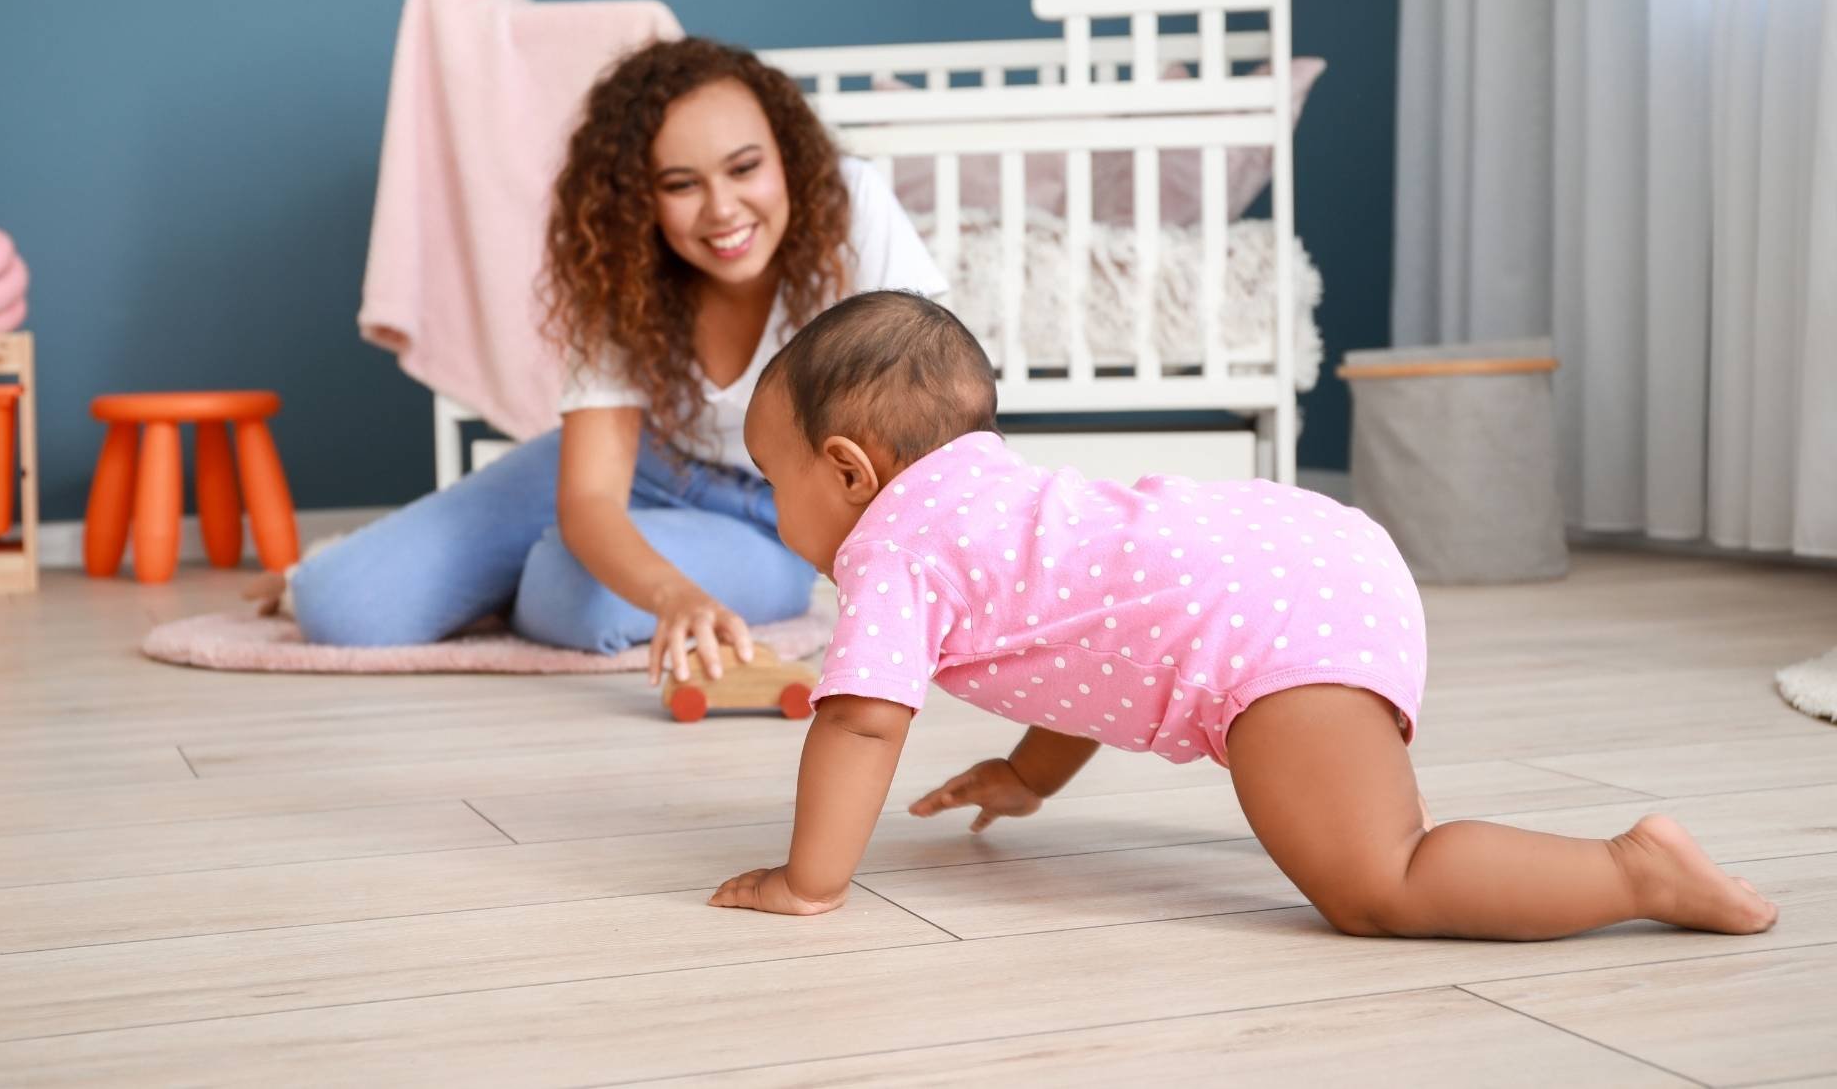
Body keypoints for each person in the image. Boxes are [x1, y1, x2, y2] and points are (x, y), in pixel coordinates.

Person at [706, 290, 1780, 942]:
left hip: (1271, 636)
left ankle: (1629, 868)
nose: (767, 501)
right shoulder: (998, 505)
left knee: (1376, 884)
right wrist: (1029, 775)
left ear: (848, 471)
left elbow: (858, 722)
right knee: (1361, 847)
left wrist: (808, 882)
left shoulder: (892, 544)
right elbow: (1091, 645)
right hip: (1307, 551)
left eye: (769, 475)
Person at [281, 40, 947, 675]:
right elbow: (593, 493)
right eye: (681, 184)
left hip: (772, 516)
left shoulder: (851, 207)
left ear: (787, 159)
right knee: (338, 604)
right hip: (643, 467)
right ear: (641, 198)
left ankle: (518, 574)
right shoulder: (621, 266)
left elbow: (930, 430)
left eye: (745, 168)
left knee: (576, 593)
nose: (722, 209)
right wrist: (670, 594)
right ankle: (471, 566)